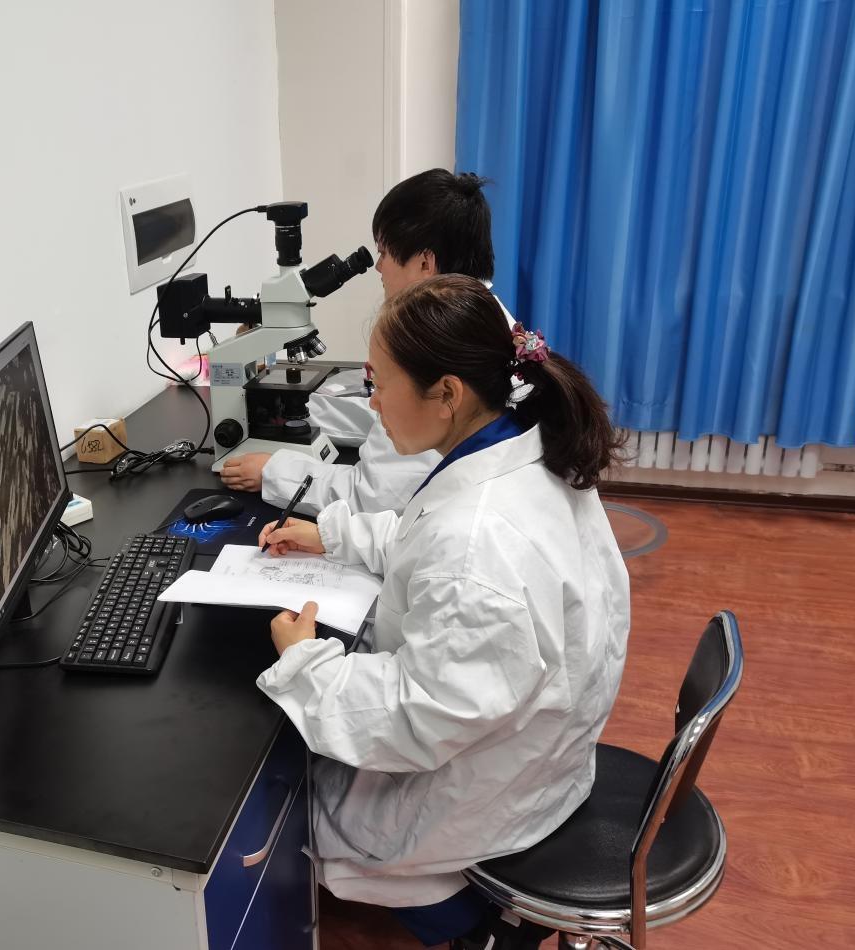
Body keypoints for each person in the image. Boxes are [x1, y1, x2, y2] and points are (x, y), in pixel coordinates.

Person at [254, 275, 630, 947]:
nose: (372, 403)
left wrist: (306, 661)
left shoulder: (477, 539)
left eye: (379, 384)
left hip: (486, 792)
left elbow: (417, 716)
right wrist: (335, 534)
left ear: (447, 393)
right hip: (539, 749)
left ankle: (473, 920)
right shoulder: (519, 446)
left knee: (287, 805)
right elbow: (428, 538)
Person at [220, 168, 515, 516]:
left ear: (425, 263)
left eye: (384, 253)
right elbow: (395, 415)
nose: (377, 267)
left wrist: (273, 472)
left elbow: (374, 497)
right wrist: (300, 412)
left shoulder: (438, 345)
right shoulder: (483, 317)